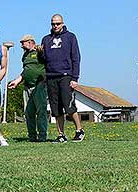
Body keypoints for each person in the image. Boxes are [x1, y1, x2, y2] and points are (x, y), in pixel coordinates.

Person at [41, 14, 85, 143]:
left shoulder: (70, 37)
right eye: (53, 24)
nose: (55, 26)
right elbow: (43, 60)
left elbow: (76, 58)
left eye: (58, 23)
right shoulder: (46, 39)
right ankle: (61, 134)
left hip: (66, 76)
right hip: (51, 77)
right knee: (56, 108)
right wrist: (40, 53)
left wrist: (75, 78)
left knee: (68, 105)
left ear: (63, 23)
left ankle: (79, 130)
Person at [8, 34, 48, 142]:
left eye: (23, 43)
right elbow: (26, 70)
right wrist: (17, 81)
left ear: (30, 42)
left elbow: (47, 58)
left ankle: (42, 136)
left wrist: (41, 49)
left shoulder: (39, 51)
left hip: (39, 86)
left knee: (41, 112)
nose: (21, 46)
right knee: (29, 112)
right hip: (27, 86)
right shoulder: (25, 55)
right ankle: (32, 136)